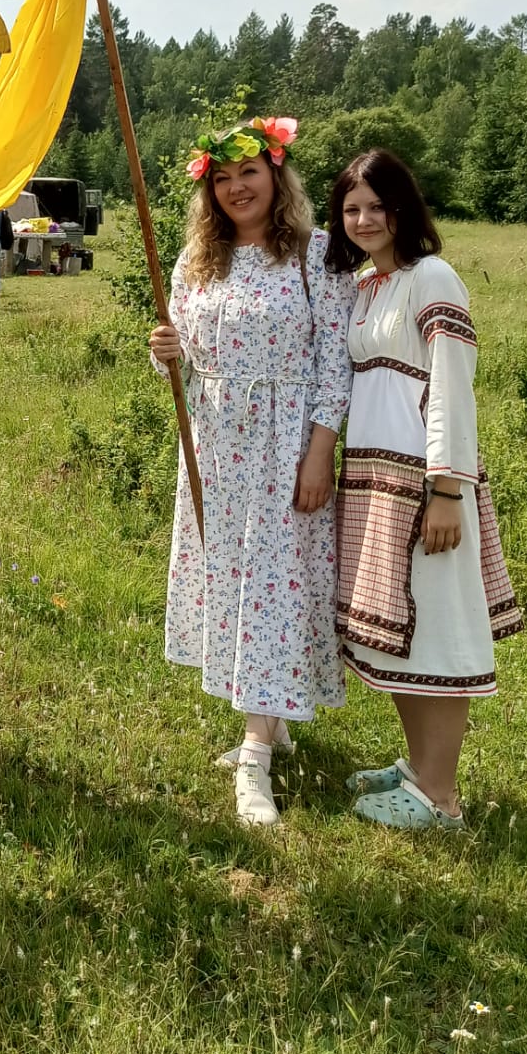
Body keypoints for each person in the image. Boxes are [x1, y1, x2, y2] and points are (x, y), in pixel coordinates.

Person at [148, 117, 354, 827]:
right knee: (237, 586)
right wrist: (163, 348)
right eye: (223, 178)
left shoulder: (315, 256)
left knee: (274, 585)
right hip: (213, 447)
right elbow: (179, 355)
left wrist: (319, 450)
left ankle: (254, 757)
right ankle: (271, 717)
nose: (237, 188)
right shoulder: (194, 261)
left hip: (283, 445)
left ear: (275, 175)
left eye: (249, 174)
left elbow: (334, 361)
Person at [326, 150, 522, 829]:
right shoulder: (365, 284)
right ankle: (418, 769)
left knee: (434, 628)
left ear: (403, 208)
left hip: (422, 484)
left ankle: (441, 798)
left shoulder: (430, 276)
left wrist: (444, 488)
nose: (363, 219)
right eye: (351, 208)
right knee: (397, 634)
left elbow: (449, 387)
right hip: (374, 483)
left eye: (376, 206)